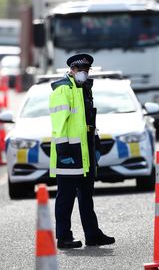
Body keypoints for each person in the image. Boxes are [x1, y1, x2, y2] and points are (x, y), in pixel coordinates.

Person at [49, 53, 115, 249]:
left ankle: (92, 234)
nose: (83, 73)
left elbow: (88, 121)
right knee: (66, 197)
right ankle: (63, 237)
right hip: (69, 152)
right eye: (79, 70)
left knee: (86, 196)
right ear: (71, 70)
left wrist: (96, 144)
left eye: (86, 70)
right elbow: (58, 124)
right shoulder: (63, 89)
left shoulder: (85, 89)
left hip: (85, 151)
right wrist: (64, 152)